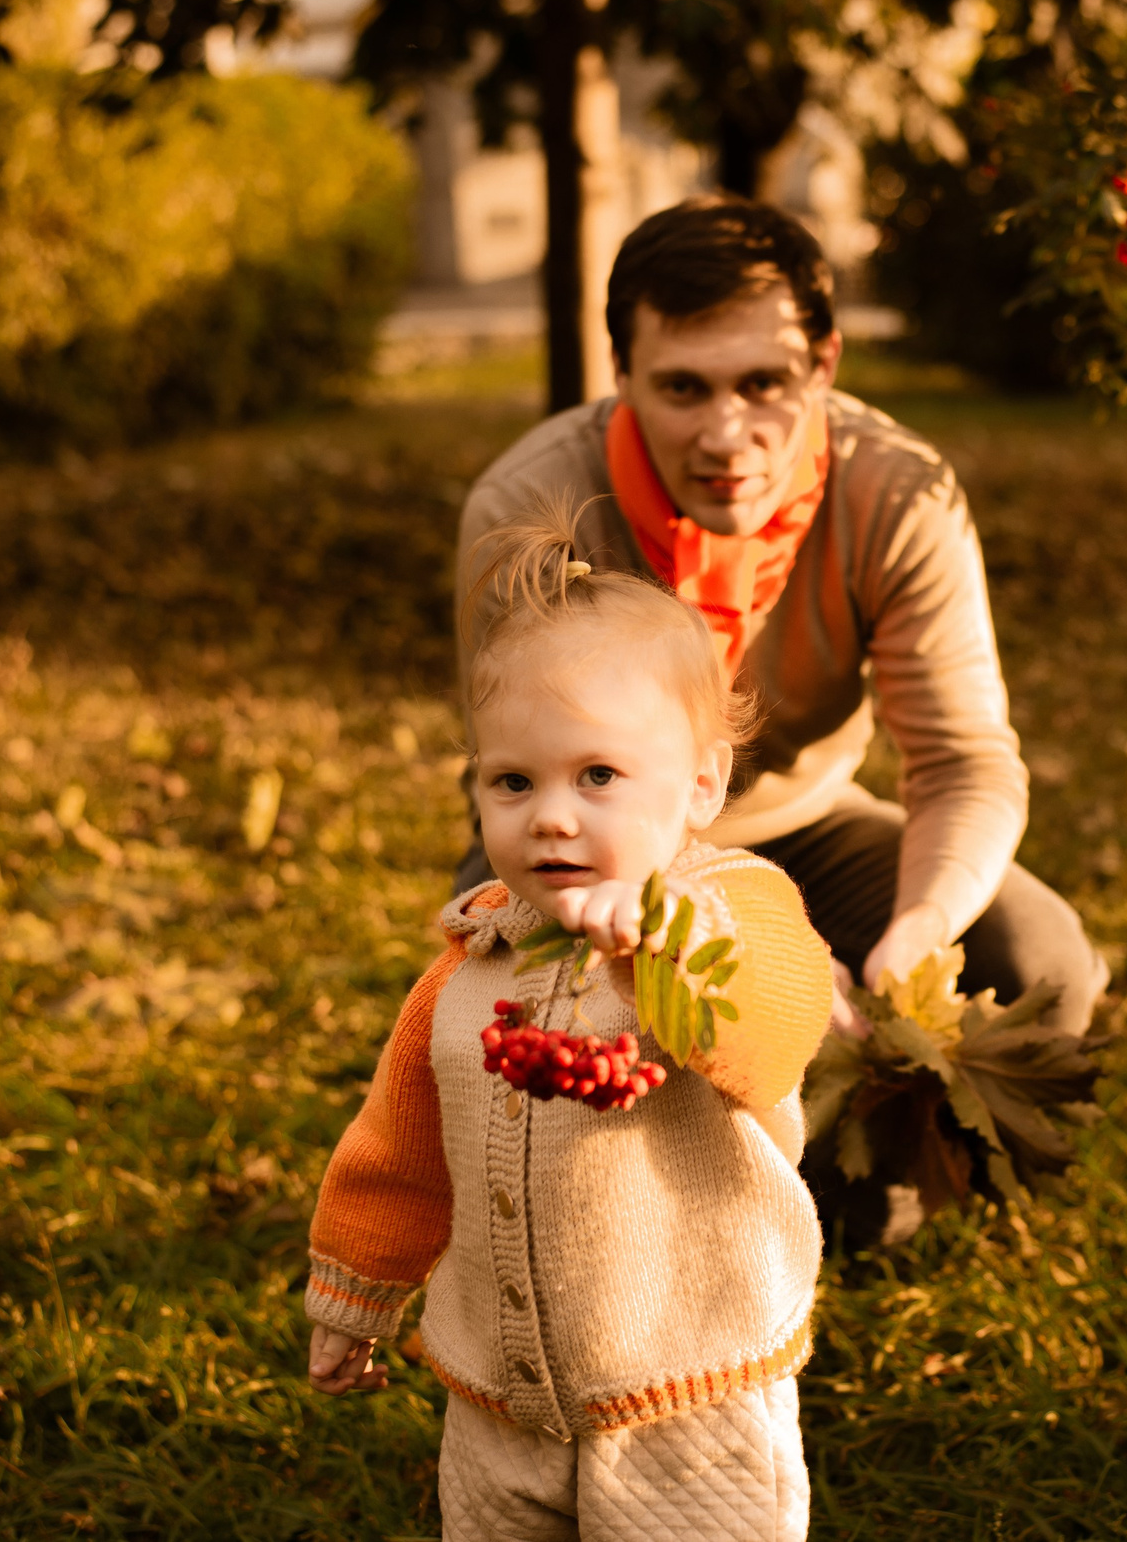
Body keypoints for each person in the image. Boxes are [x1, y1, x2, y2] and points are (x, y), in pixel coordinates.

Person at [454, 197, 1104, 1047]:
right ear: (622, 370)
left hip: (806, 828)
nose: (728, 435)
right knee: (521, 1032)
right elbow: (518, 772)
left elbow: (963, 762)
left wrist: (917, 933)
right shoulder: (530, 504)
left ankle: (889, 1141)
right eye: (683, 388)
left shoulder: (898, 496)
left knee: (1041, 963)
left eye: (764, 384)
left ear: (824, 364)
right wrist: (747, 949)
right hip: (584, 834)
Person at [306, 514, 834, 1539]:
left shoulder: (730, 916)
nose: (551, 814)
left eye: (597, 775)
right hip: (498, 1397)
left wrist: (660, 947)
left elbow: (777, 1030)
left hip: (688, 1393)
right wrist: (355, 1296)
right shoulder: (471, 967)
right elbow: (399, 1154)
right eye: (514, 780)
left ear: (702, 785)